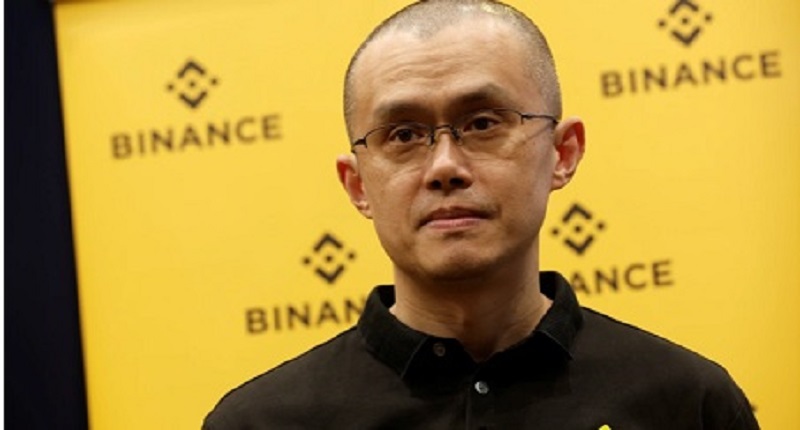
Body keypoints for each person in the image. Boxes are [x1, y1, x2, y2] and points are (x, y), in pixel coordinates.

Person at [203, 1, 759, 428]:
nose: (445, 166)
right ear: (358, 185)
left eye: (483, 124)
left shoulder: (687, 403)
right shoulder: (261, 422)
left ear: (562, 153)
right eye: (403, 134)